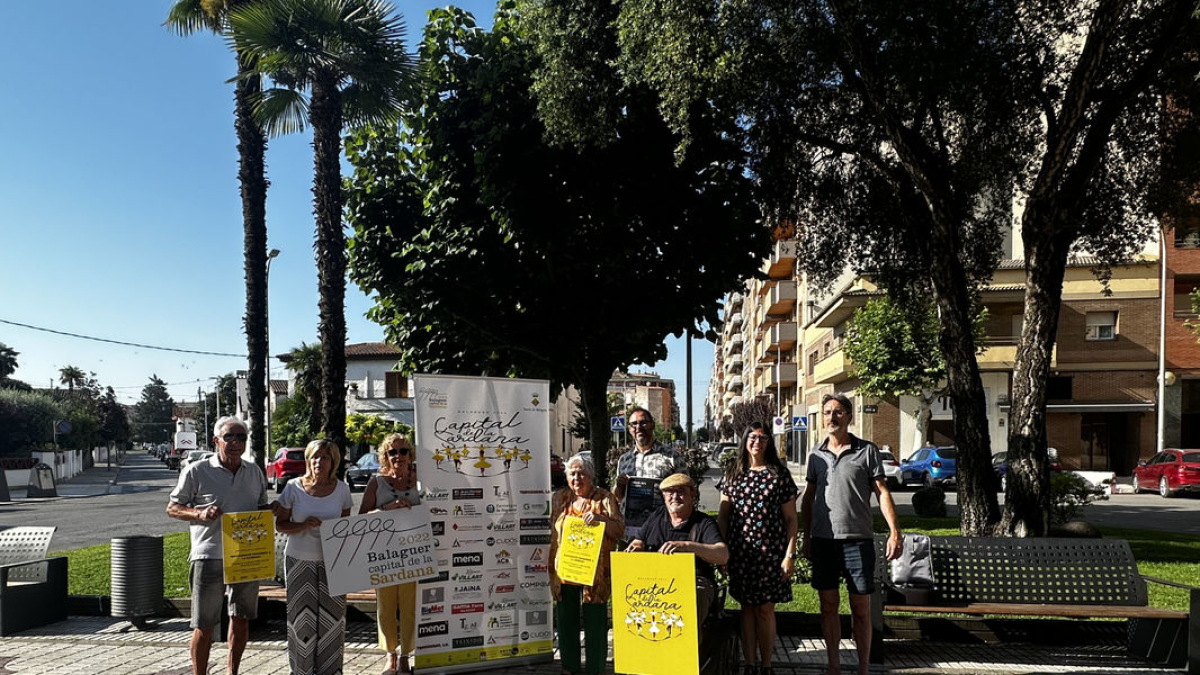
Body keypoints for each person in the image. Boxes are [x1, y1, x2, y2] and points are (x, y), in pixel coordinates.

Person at [800, 394, 903, 675]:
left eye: (838, 412)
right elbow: (808, 499)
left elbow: (881, 492)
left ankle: (863, 669)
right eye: (827, 412)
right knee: (828, 607)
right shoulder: (815, 454)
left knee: (861, 608)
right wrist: (806, 536)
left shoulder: (866, 451)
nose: (831, 417)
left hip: (858, 541)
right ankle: (833, 666)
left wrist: (895, 532)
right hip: (823, 542)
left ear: (849, 416)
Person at [166, 416, 270, 675]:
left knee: (242, 618)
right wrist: (199, 514)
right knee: (204, 624)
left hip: (247, 555)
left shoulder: (254, 471)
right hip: (209, 555)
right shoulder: (196, 470)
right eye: (229, 437)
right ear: (216, 441)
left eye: (241, 437)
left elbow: (259, 508)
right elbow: (173, 508)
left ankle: (232, 672)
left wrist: (272, 510)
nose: (236, 442)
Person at [718, 422, 799, 675]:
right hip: (741, 553)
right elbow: (723, 517)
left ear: (769, 443)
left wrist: (789, 554)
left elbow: (791, 520)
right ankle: (750, 664)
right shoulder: (733, 473)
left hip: (771, 553)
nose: (757, 442)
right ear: (744, 440)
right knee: (747, 608)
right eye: (752, 437)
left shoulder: (779, 474)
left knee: (765, 609)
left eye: (763, 438)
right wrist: (721, 551)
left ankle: (766, 665)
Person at [275, 439, 354, 675]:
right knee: (302, 621)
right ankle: (301, 671)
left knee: (334, 620)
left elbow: (347, 527)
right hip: (299, 560)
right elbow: (280, 525)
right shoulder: (293, 487)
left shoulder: (342, 489)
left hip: (334, 562)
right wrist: (301, 525)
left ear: (333, 462)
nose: (319, 461)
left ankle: (331, 671)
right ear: (308, 460)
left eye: (325, 457)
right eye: (315, 457)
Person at [550, 455, 624, 675]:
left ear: (590, 475)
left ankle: (595, 667)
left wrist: (601, 520)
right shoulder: (560, 497)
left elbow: (619, 530)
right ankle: (569, 664)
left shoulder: (605, 498)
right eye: (572, 473)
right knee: (566, 616)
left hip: (596, 571)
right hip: (565, 566)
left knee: (595, 618)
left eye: (582, 473)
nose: (577, 478)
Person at [626, 473, 728, 624]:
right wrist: (635, 547)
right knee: (629, 595)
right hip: (656, 580)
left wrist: (686, 546)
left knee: (693, 598)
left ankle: (691, 645)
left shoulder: (703, 522)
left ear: (692, 494)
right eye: (670, 492)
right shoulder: (657, 515)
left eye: (681, 491)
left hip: (695, 580)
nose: (675, 496)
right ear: (663, 495)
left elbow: (722, 554)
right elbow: (639, 540)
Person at [360, 433, 421, 675]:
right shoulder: (377, 482)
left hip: (414, 552)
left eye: (402, 451)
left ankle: (406, 655)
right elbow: (362, 517)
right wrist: (387, 509)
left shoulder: (420, 481)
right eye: (392, 452)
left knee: (409, 606)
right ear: (384, 456)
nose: (398, 456)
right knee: (385, 607)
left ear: (410, 454)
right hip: (383, 553)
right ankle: (390, 655)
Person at [613, 408, 687, 532]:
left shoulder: (672, 457)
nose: (638, 427)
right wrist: (619, 487)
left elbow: (686, 492)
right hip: (630, 530)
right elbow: (619, 498)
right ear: (629, 429)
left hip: (662, 530)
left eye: (643, 422)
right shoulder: (624, 459)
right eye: (634, 424)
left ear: (652, 425)